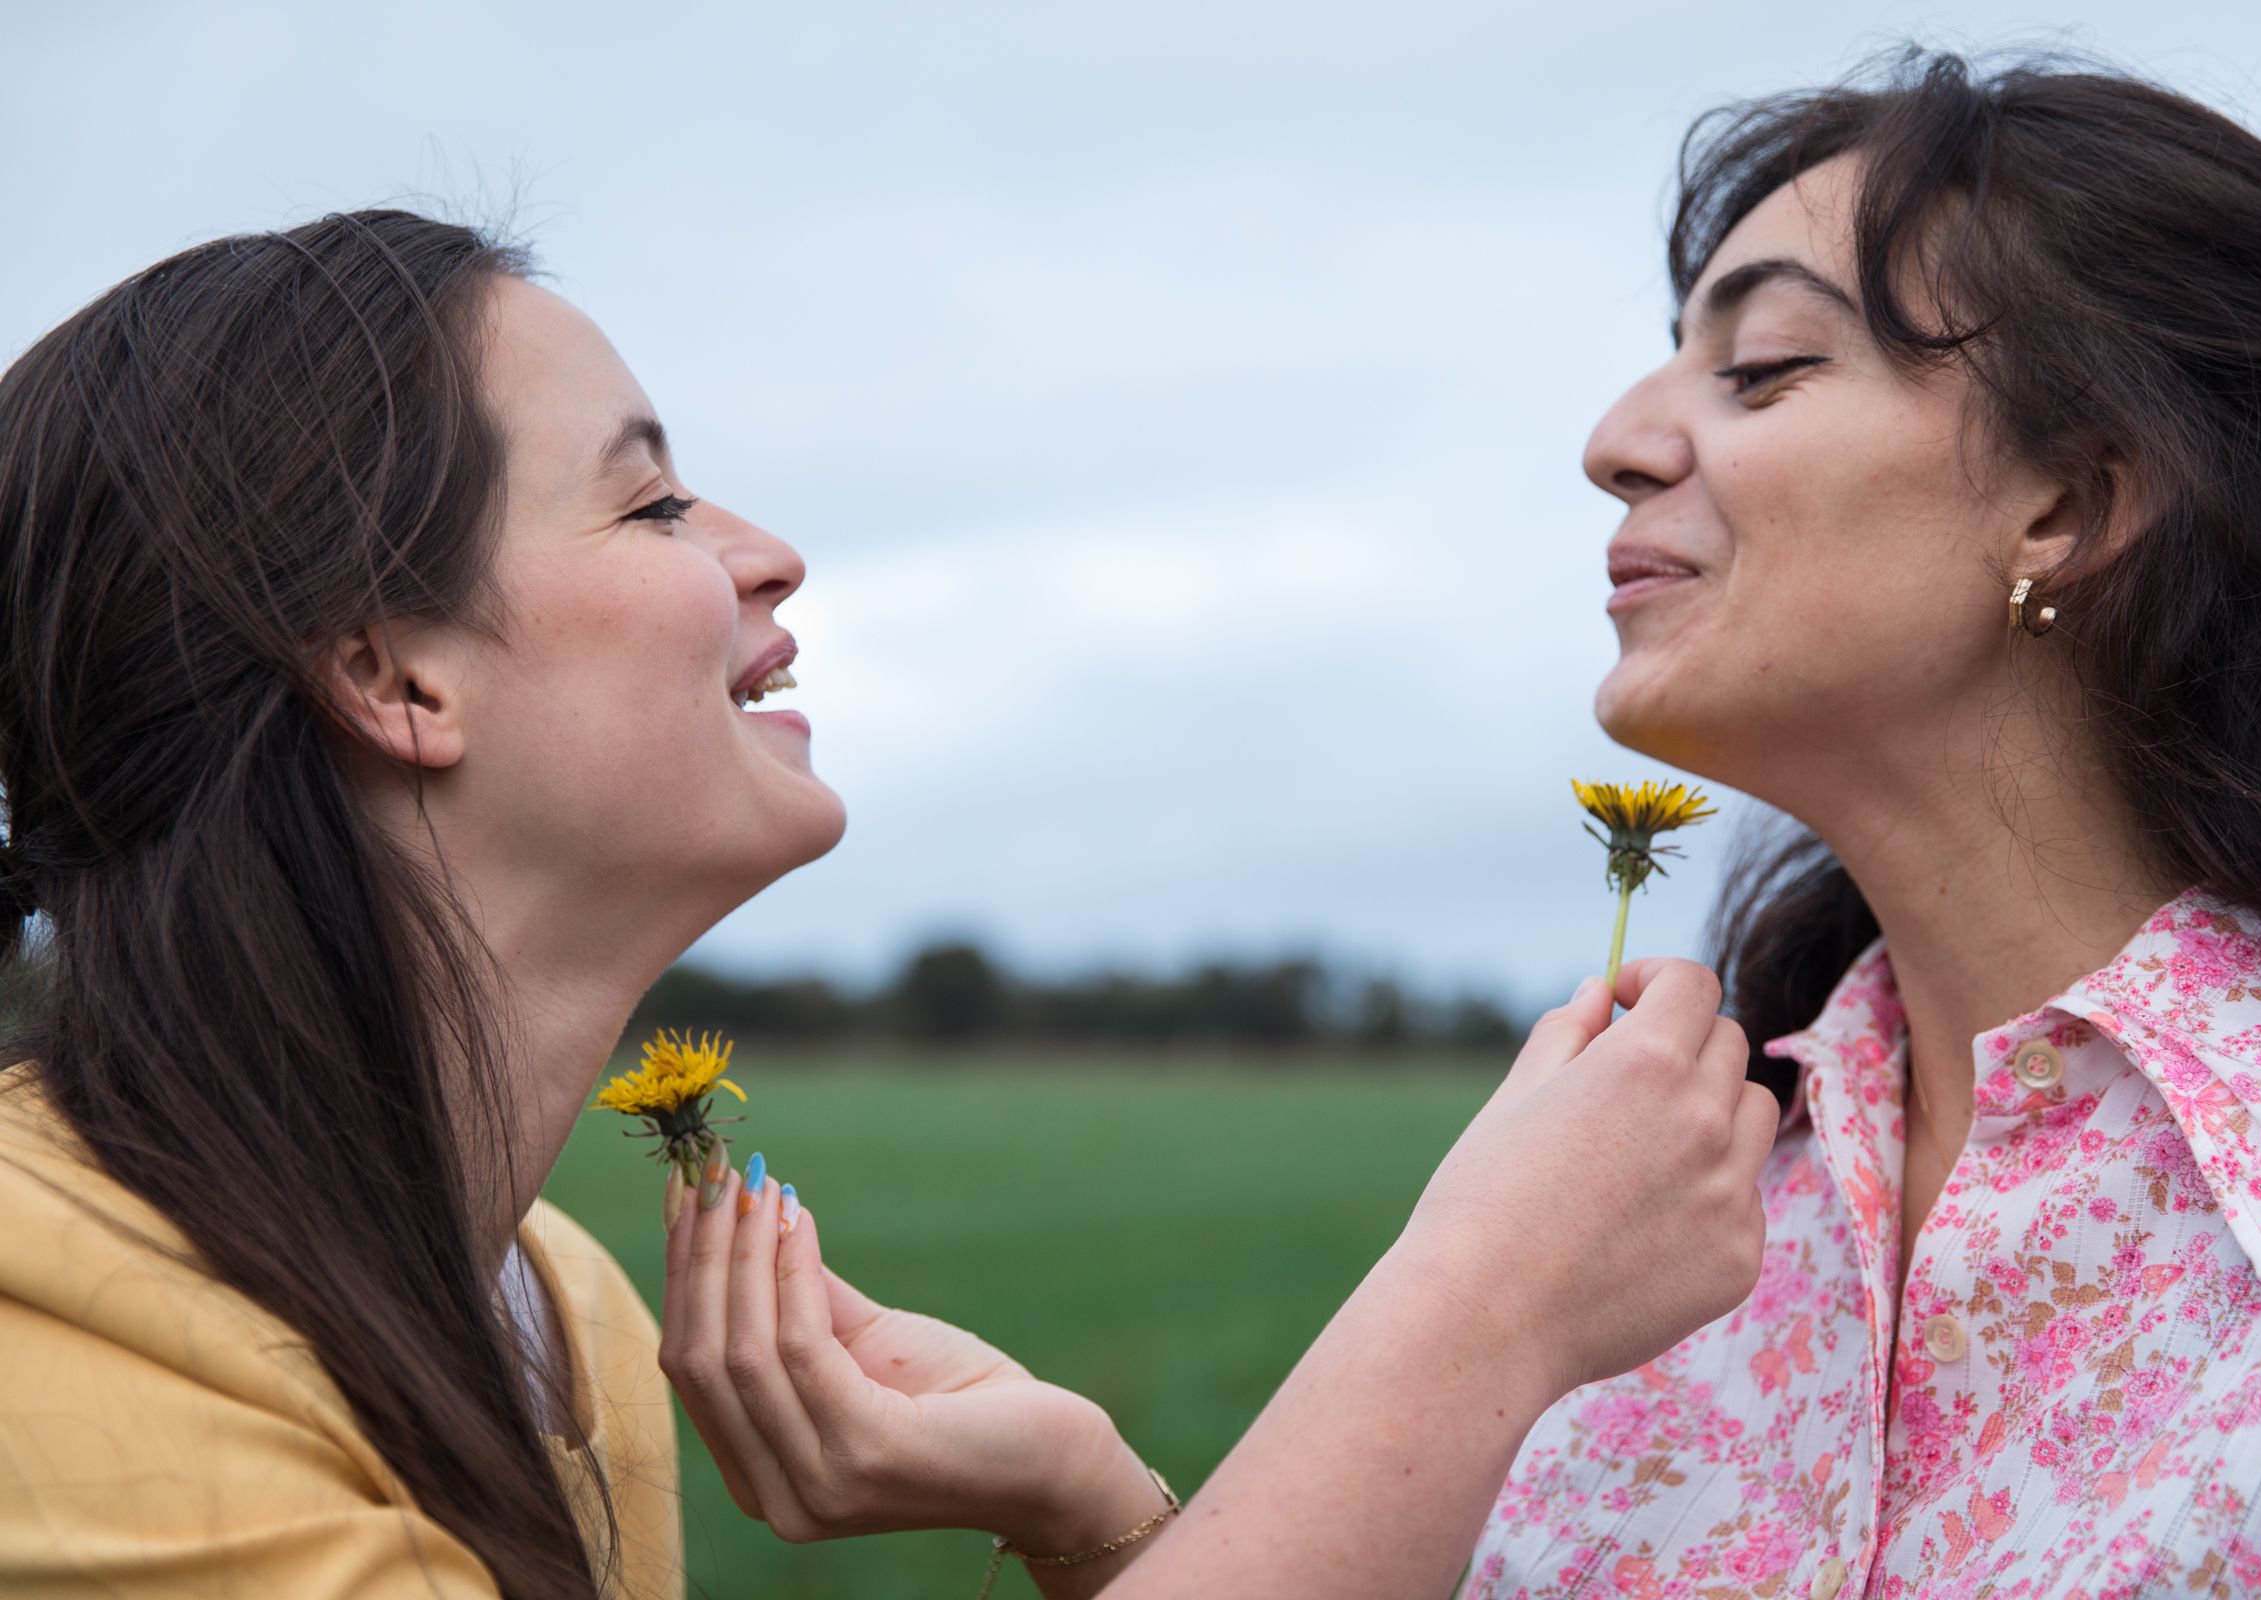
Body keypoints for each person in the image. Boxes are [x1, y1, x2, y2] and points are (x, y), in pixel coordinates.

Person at [662, 39, 2261, 1600]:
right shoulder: (1664, 1200)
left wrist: (1472, 1303)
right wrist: (1093, 1513)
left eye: (1761, 372)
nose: (1616, 438)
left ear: (2068, 503)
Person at [0, 208, 1773, 1597]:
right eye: (649, 501)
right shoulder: (48, 1324)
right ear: (395, 677)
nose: (763, 550)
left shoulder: (549, 1308)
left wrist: (1085, 1511)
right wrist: (1477, 1309)